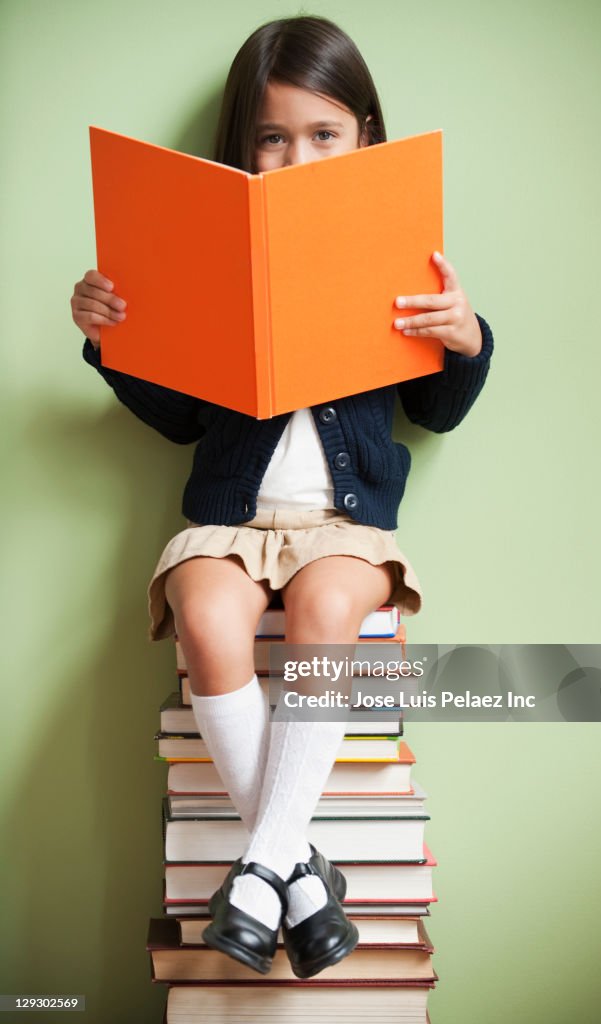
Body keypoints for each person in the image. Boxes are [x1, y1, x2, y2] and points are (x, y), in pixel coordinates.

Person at [71, 14, 494, 979]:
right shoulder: (209, 255)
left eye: (322, 134)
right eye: (273, 137)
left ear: (364, 140)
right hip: (228, 517)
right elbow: (177, 420)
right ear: (242, 151)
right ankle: (298, 875)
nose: (296, 155)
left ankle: (258, 864)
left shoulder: (400, 255)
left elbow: (439, 410)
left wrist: (466, 337)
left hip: (344, 526)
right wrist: (112, 343)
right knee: (203, 612)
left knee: (327, 607)